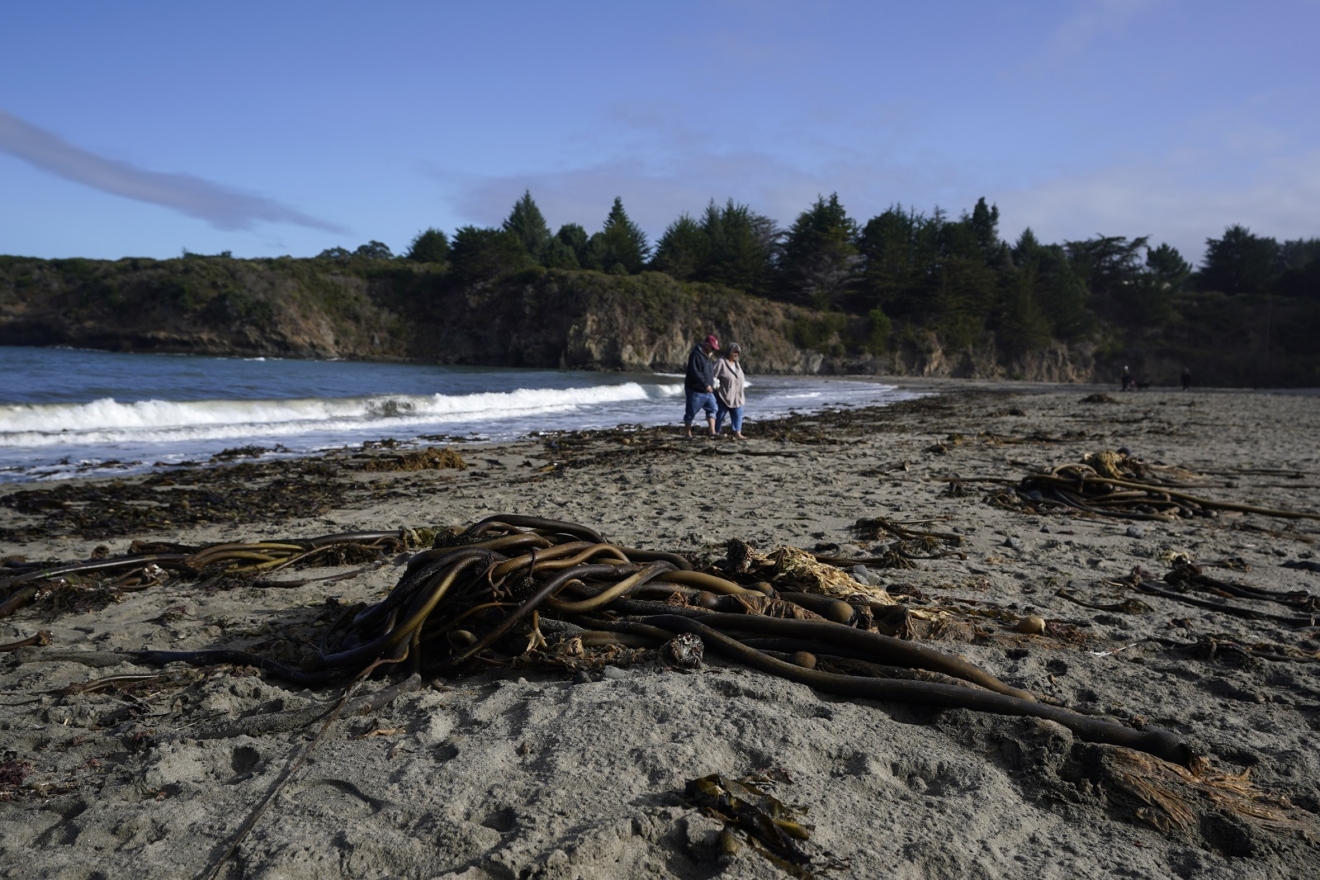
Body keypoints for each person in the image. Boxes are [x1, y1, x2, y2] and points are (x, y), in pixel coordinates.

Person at [683, 334, 719, 438]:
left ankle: (712, 432)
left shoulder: (709, 356)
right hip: (696, 390)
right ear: (706, 345)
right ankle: (688, 433)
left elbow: (709, 371)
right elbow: (695, 372)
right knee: (691, 412)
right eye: (712, 347)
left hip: (708, 390)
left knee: (713, 408)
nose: (713, 350)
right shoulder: (695, 355)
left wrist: (713, 382)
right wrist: (705, 384)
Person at [713, 342, 746, 439]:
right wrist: (716, 387)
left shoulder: (737, 364)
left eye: (737, 353)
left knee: (738, 414)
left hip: (737, 395)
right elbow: (712, 375)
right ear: (729, 352)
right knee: (719, 415)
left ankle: (738, 433)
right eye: (734, 352)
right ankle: (716, 431)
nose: (736, 354)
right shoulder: (721, 362)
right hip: (724, 395)